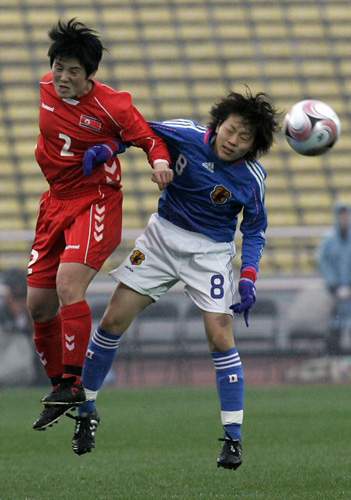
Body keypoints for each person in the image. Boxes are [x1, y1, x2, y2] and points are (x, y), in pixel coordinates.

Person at [68, 88, 281, 470]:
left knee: (220, 336)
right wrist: (107, 150)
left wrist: (248, 276)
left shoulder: (251, 177)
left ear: (254, 146)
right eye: (231, 130)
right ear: (218, 124)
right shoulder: (183, 133)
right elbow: (137, 132)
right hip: (161, 238)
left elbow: (255, 229)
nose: (233, 141)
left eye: (245, 137)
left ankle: (233, 439)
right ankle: (86, 412)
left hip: (210, 253)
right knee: (113, 320)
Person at [27, 18, 172, 431]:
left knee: (68, 285)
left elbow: (148, 137)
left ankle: (76, 383)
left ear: (90, 75)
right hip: (54, 202)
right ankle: (60, 387)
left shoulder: (114, 105)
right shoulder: (44, 89)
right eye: (59, 66)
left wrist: (158, 162)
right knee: (39, 307)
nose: (63, 77)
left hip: (96, 201)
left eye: (74, 70)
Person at [318, 202, 351, 354]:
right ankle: (333, 357)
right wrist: (335, 285)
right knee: (334, 323)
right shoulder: (329, 241)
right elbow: (324, 263)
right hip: (334, 292)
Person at [0, 268, 36, 386]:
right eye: (16, 296)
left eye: (22, 296)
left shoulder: (33, 308)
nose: (19, 301)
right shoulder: (4, 311)